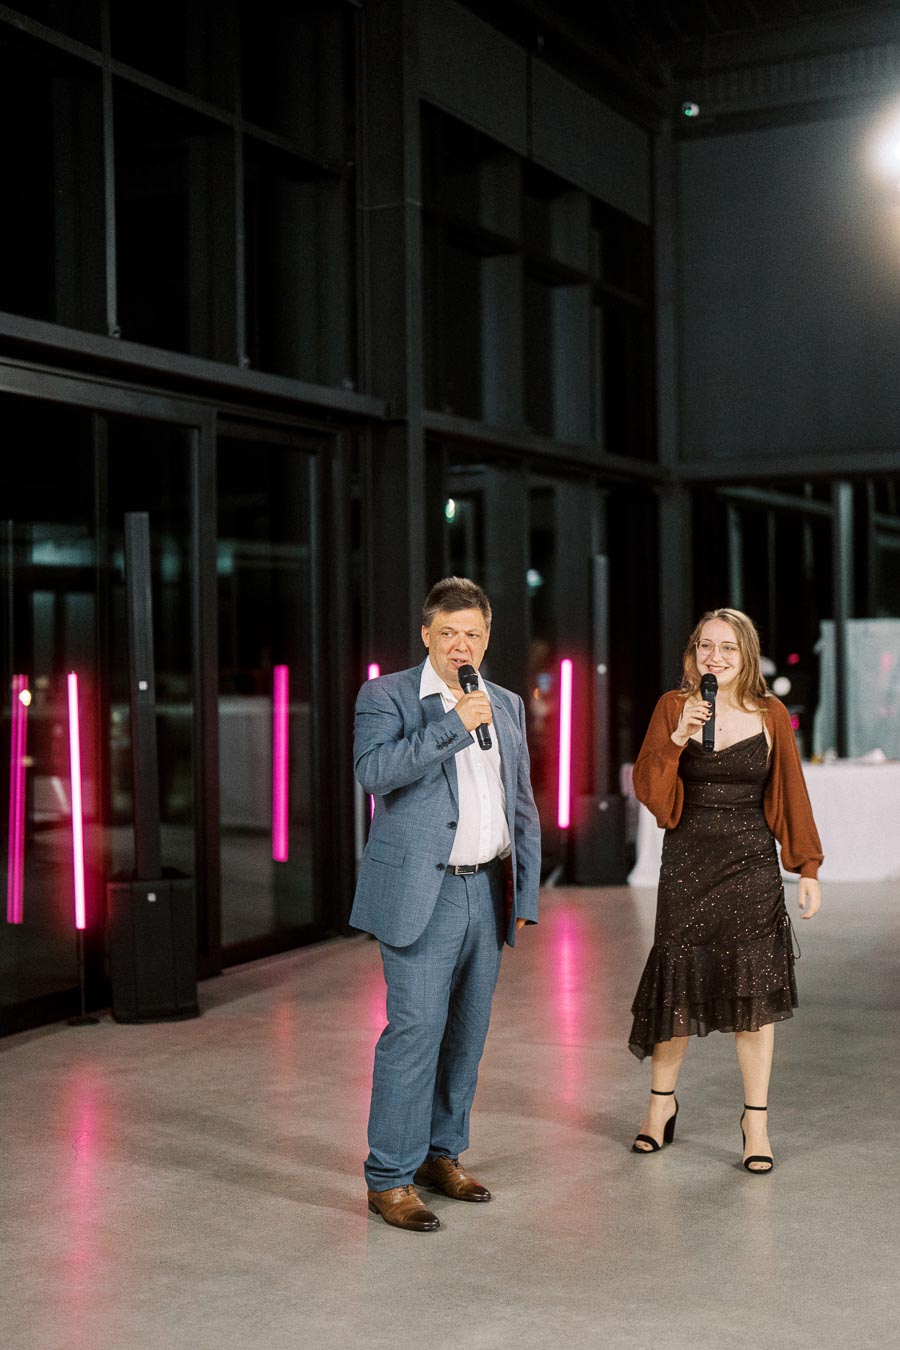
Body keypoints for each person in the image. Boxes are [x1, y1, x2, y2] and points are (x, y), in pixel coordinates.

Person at [352, 576, 541, 1231]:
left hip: (487, 891)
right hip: (420, 894)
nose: (462, 644)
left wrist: (528, 890)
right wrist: (453, 725)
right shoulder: (389, 696)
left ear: (487, 639)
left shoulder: (507, 704)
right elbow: (374, 774)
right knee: (414, 1035)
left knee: (465, 1039)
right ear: (427, 634)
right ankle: (389, 1178)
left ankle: (440, 1155)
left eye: (474, 634)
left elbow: (522, 803)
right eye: (450, 632)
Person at [628, 608, 823, 1174]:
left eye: (729, 649)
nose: (716, 657)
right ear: (694, 653)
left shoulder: (770, 713)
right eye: (706, 646)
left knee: (754, 998)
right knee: (677, 990)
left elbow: (791, 793)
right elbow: (652, 793)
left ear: (747, 657)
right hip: (688, 864)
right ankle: (660, 1108)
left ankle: (755, 1122)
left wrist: (807, 867)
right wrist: (679, 737)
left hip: (750, 867)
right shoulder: (673, 706)